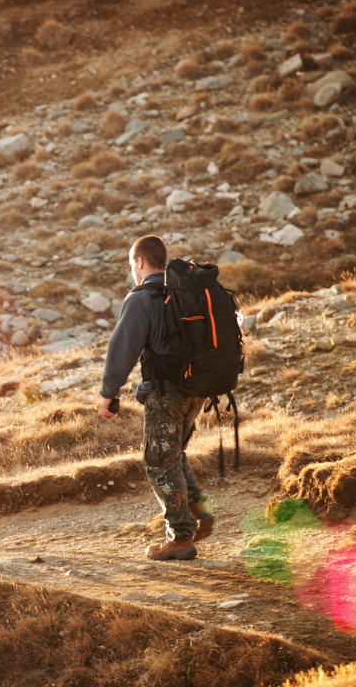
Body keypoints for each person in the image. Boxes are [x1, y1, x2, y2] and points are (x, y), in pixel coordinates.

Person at [97, 235, 216, 561]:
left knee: (158, 463)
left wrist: (109, 393)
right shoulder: (188, 291)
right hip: (199, 389)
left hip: (166, 392)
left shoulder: (143, 297)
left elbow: (123, 349)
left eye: (131, 266)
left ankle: (180, 538)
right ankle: (200, 510)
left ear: (139, 262)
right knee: (172, 453)